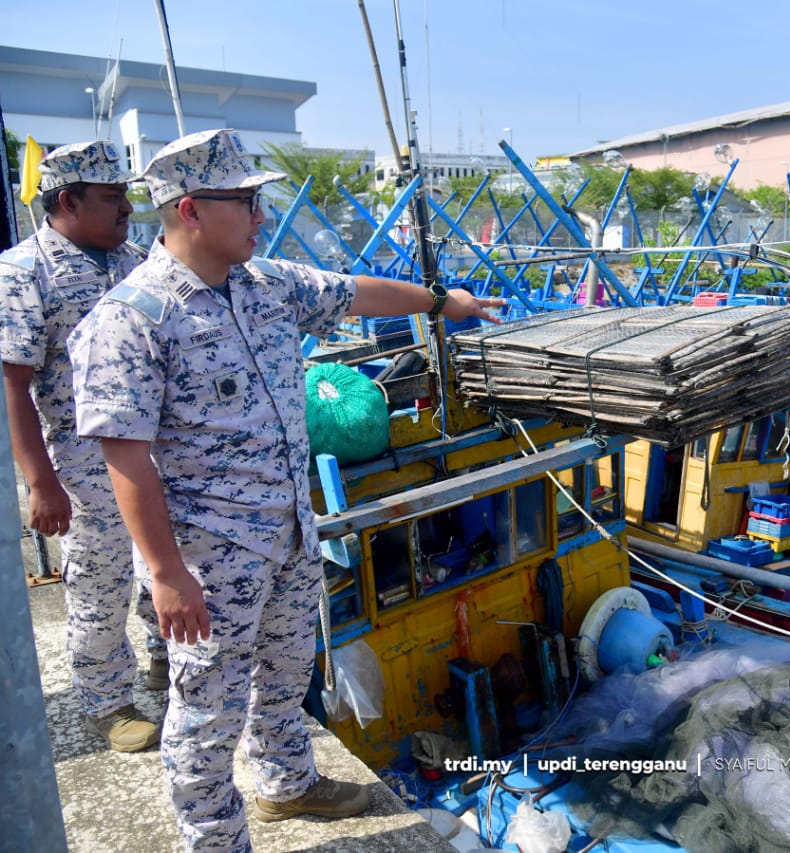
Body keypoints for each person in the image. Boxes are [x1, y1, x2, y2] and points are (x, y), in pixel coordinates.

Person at [68, 127, 505, 852]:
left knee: (285, 673)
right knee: (206, 709)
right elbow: (127, 459)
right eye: (243, 199)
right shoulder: (131, 319)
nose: (260, 214)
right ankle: (213, 837)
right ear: (190, 209)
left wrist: (440, 301)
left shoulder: (265, 284)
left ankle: (286, 783)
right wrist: (168, 573)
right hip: (212, 561)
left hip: (292, 535)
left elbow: (355, 292)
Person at [0, 140, 166, 753]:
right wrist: (39, 482)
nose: (126, 208)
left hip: (150, 450)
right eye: (112, 197)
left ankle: (162, 660)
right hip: (81, 460)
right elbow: (13, 383)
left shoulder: (133, 259)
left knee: (161, 564)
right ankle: (107, 700)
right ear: (67, 200)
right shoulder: (22, 272)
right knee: (99, 578)